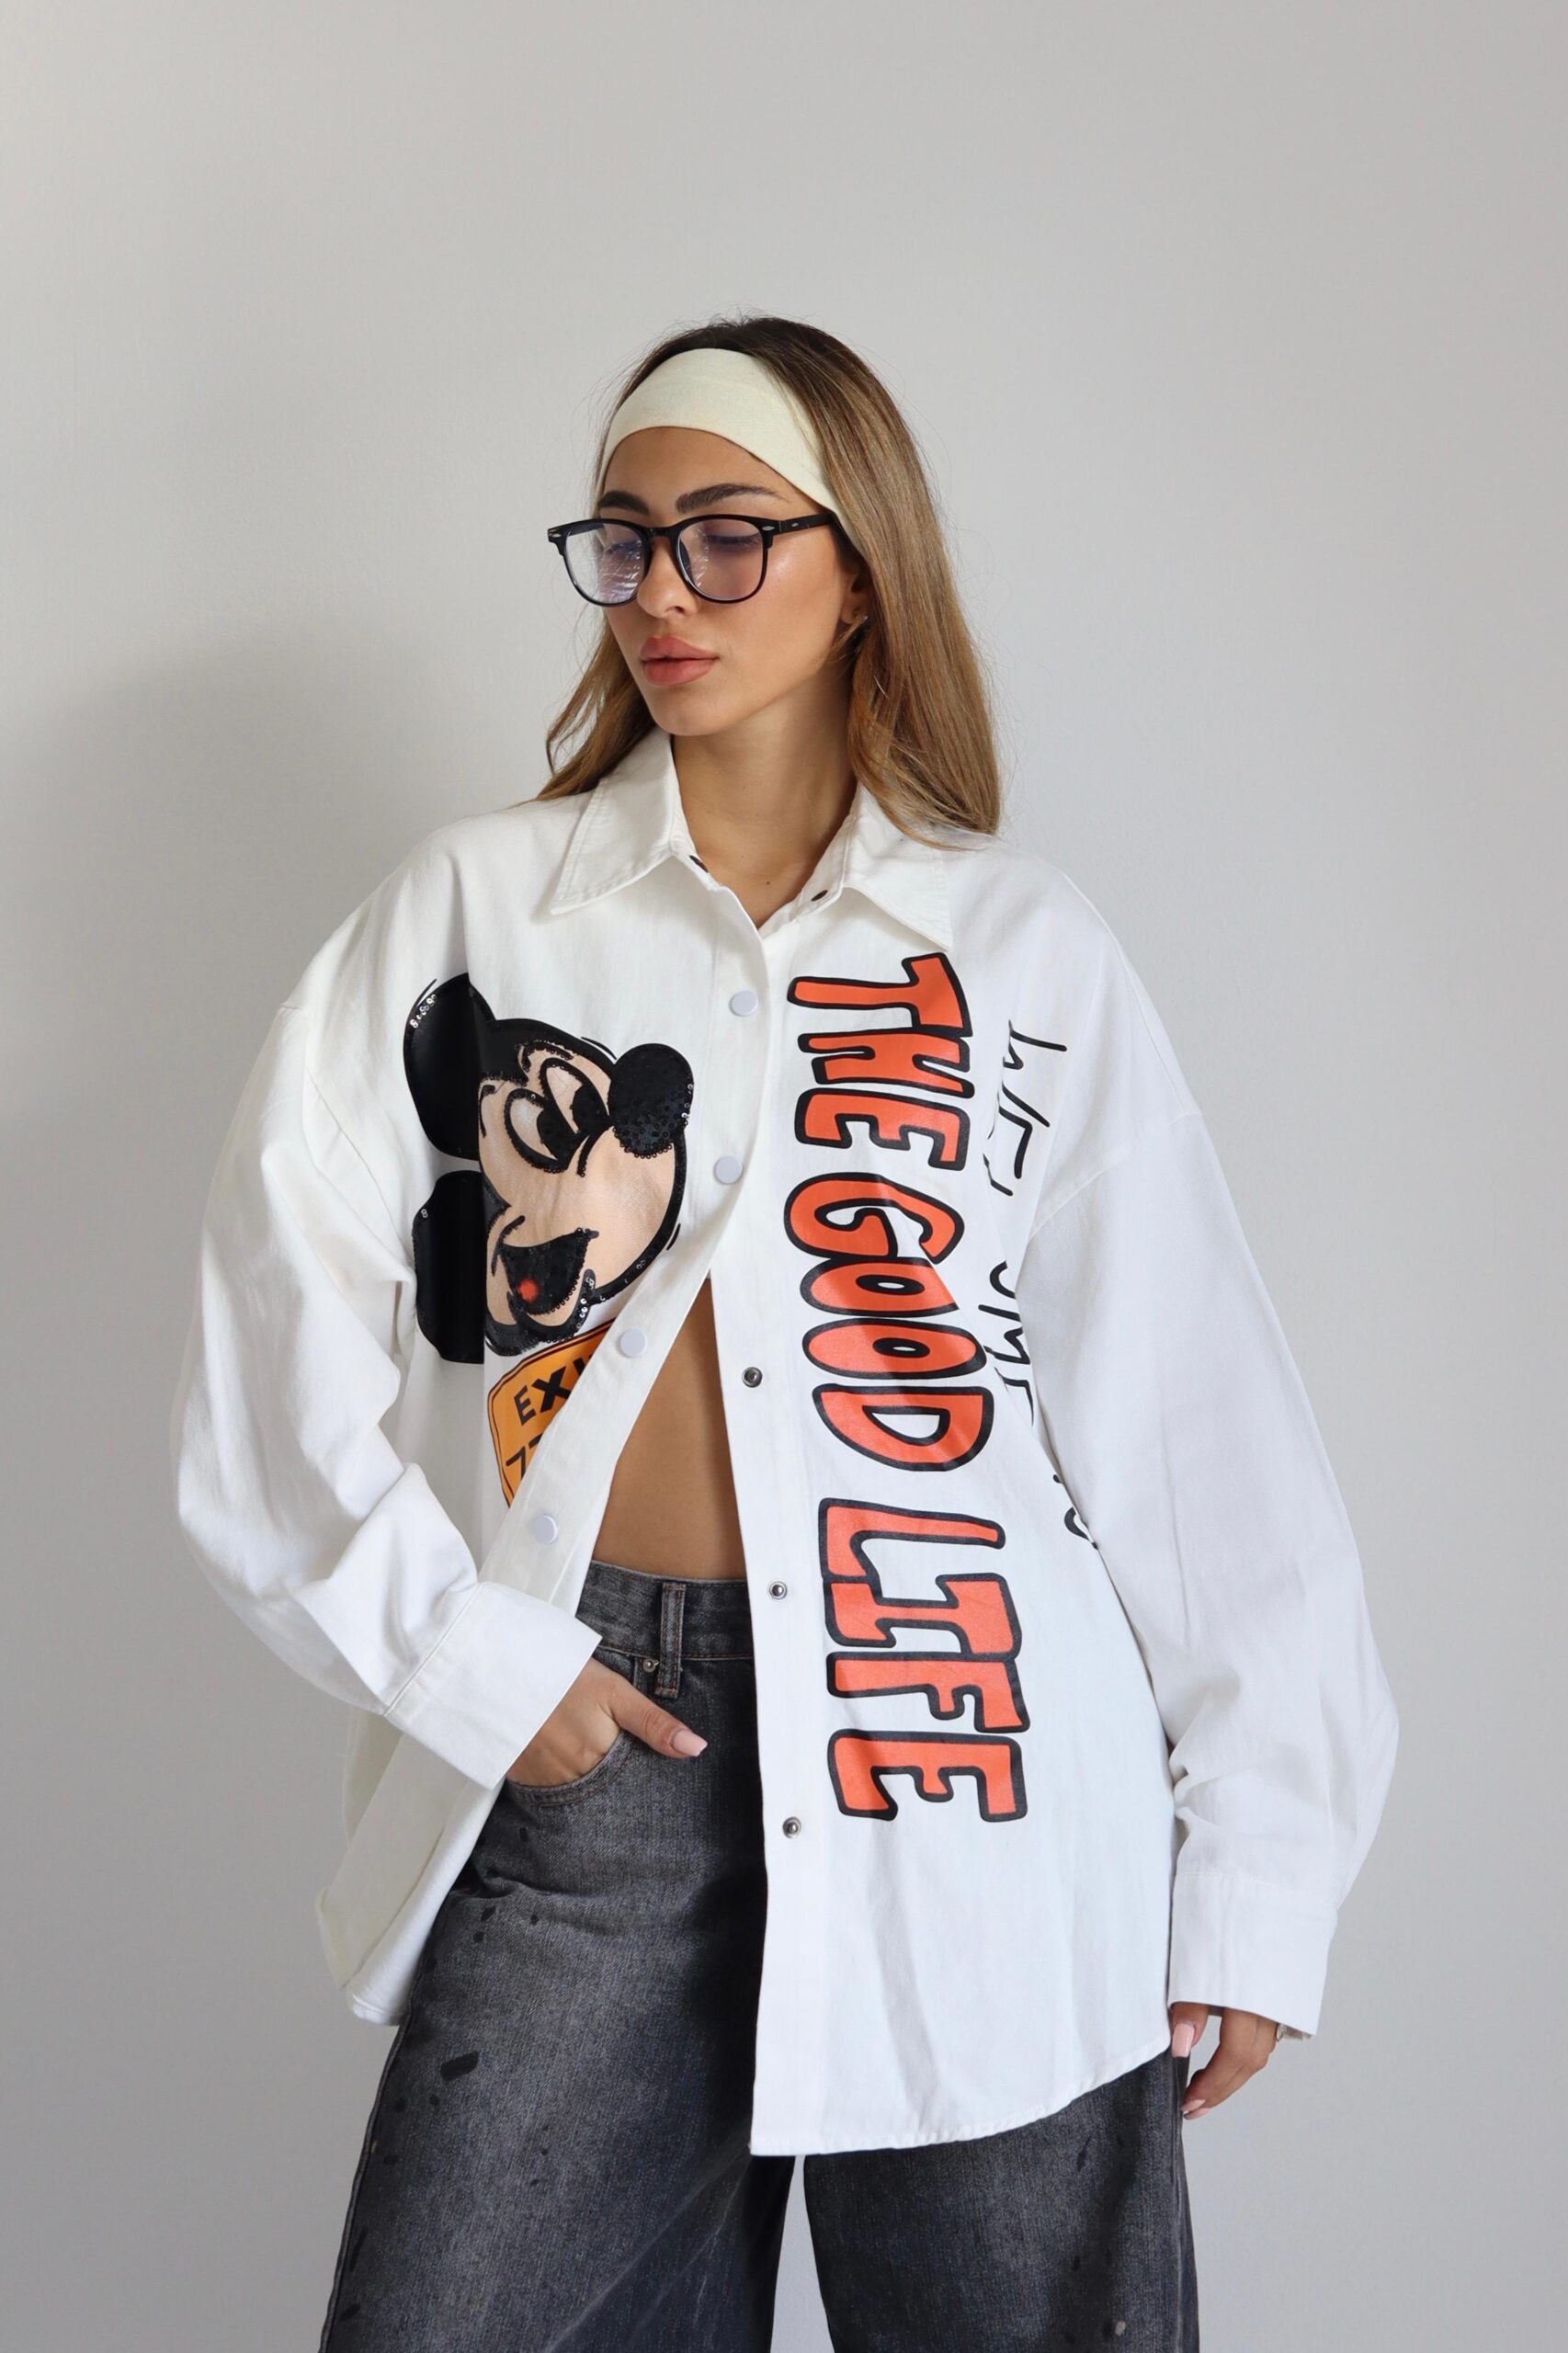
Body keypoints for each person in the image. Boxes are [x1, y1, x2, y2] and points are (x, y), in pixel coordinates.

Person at [168, 317, 1399, 2351]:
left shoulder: (1021, 951)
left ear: (861, 570)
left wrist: (1260, 1859)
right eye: (625, 538)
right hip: (591, 1746)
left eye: (727, 536)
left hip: (976, 1742)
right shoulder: (476, 909)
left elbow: (1191, 1423)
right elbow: (262, 1339)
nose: (663, 590)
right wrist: (470, 1659)